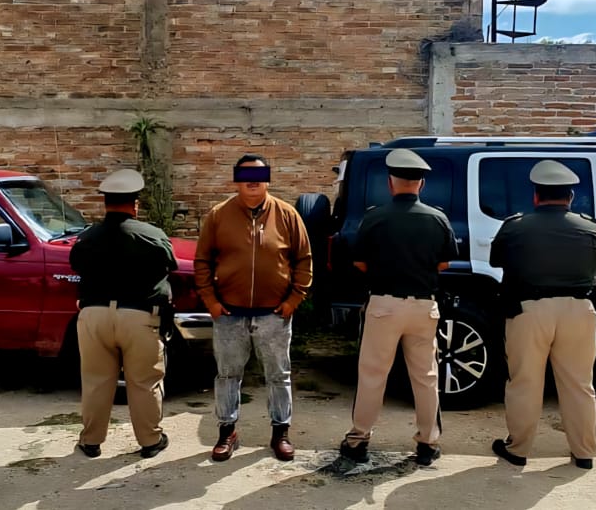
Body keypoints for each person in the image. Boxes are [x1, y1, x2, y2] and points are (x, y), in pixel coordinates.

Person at [338, 149, 457, 467]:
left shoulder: (374, 217)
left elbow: (359, 262)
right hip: (423, 305)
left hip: (384, 304)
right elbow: (445, 263)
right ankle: (428, 443)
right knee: (426, 376)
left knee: (372, 375)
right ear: (421, 184)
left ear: (391, 183)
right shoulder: (438, 218)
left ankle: (358, 440)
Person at [488, 160, 596, 470]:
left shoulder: (515, 226)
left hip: (529, 311)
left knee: (525, 381)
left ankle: (518, 450)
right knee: (579, 384)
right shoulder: (591, 228)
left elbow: (496, 260)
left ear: (536, 196)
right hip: (579, 311)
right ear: (570, 197)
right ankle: (584, 452)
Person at [194, 154, 313, 462]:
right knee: (227, 375)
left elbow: (303, 260)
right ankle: (227, 432)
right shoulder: (219, 215)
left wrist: (293, 300)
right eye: (246, 175)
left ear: (267, 179)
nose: (252, 181)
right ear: (237, 179)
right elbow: (202, 261)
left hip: (274, 314)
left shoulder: (287, 215)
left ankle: (280, 433)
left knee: (278, 375)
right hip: (229, 314)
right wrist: (211, 301)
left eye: (258, 175)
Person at [68, 168, 176, 459]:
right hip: (139, 317)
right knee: (144, 382)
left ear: (105, 204)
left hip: (94, 315)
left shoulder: (86, 237)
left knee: (95, 381)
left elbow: (76, 265)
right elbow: (170, 263)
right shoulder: (152, 236)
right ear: (135, 204)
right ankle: (150, 441)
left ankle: (91, 442)